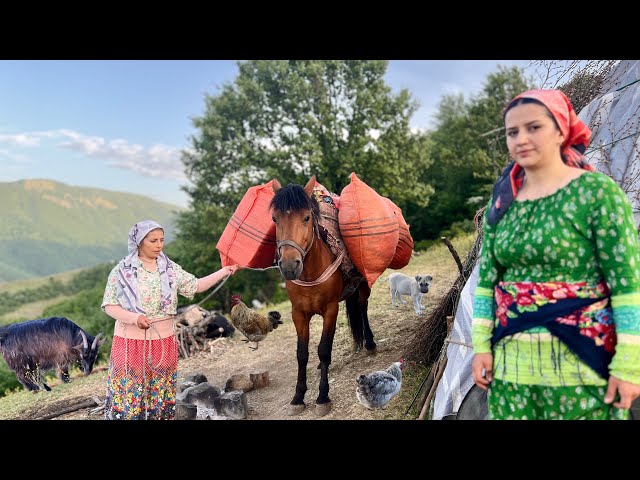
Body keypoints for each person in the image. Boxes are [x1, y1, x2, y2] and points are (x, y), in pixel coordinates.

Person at [471, 89, 640, 420]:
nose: (521, 138)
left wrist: (629, 363)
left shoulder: (598, 195)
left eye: (534, 127)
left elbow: (626, 285)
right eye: (512, 131)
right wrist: (481, 347)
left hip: (583, 365)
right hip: (512, 370)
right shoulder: (502, 205)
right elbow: (486, 282)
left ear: (562, 130)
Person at [101, 220, 241, 420]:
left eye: (162, 240)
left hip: (164, 342)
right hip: (130, 344)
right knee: (130, 393)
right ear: (140, 242)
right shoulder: (122, 271)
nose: (159, 245)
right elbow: (110, 305)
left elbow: (196, 285)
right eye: (153, 241)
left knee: (161, 391)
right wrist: (134, 317)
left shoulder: (169, 268)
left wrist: (225, 270)